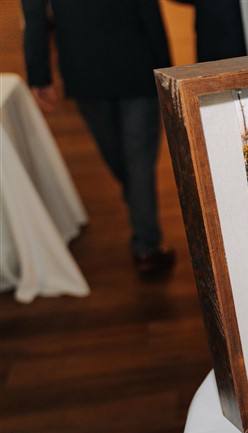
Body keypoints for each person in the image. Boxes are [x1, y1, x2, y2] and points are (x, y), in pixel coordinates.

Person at [22, 0, 176, 278]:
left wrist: (39, 75)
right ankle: (147, 242)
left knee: (126, 158)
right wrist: (166, 69)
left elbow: (35, 16)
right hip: (131, 60)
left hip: (87, 67)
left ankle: (146, 243)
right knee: (134, 160)